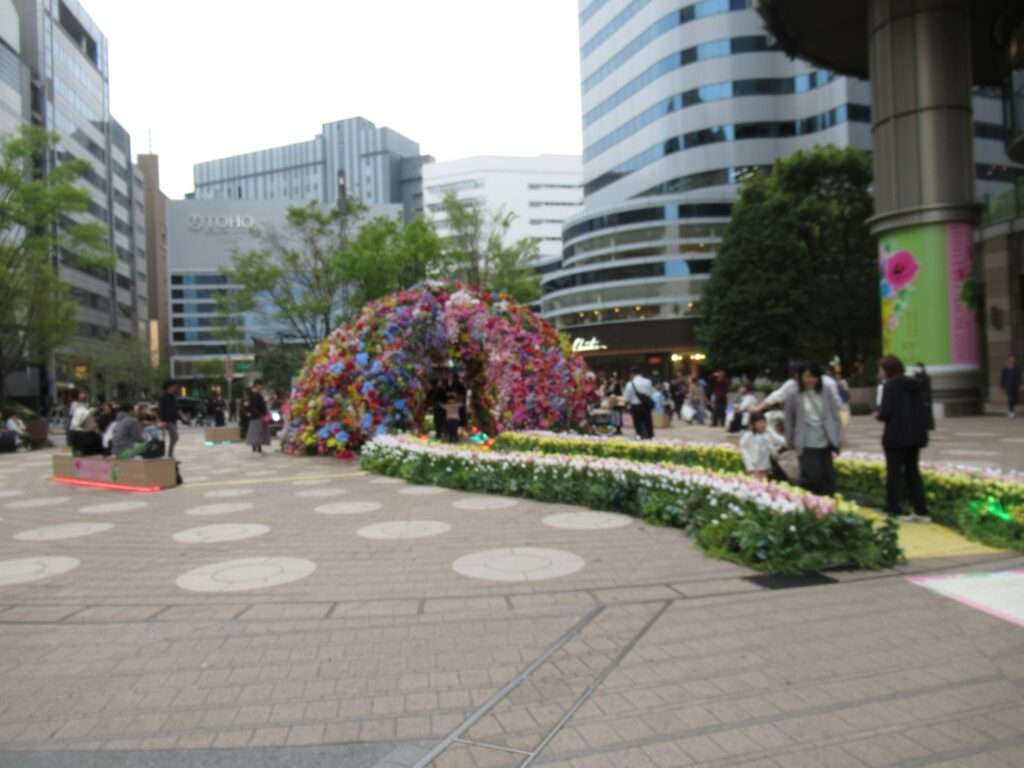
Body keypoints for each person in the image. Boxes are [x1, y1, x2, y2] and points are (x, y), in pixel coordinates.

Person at [877, 355, 931, 520]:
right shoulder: (914, 384)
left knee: (894, 474)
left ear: (887, 370)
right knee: (912, 473)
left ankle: (893, 509)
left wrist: (878, 415)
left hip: (895, 436)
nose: (879, 373)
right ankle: (921, 511)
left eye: (880, 369)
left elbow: (886, 412)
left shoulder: (890, 385)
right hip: (914, 436)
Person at [784, 363, 842, 496]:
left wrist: (837, 437)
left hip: (826, 439)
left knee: (828, 477)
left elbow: (834, 415)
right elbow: (789, 419)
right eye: (807, 376)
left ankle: (828, 506)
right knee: (812, 477)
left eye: (814, 376)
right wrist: (789, 440)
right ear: (800, 377)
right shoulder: (793, 394)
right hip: (806, 442)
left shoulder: (826, 390)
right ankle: (809, 502)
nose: (811, 380)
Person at [740, 412, 787, 479]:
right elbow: (744, 452)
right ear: (753, 424)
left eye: (763, 422)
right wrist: (750, 468)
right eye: (759, 422)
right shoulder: (748, 436)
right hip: (754, 468)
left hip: (765, 467)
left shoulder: (768, 434)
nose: (762, 424)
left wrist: (771, 432)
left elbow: (782, 442)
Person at [624, 366, 655, 440]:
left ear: (632, 374)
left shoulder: (630, 383)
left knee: (637, 423)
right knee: (648, 422)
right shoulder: (648, 381)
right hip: (646, 405)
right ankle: (650, 436)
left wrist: (627, 403)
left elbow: (627, 397)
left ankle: (639, 435)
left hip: (635, 406)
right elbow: (651, 393)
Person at [246, 381, 270, 454]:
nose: (261, 387)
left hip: (259, 415)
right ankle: (255, 448)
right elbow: (253, 405)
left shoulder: (258, 394)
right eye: (260, 386)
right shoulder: (253, 394)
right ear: (257, 385)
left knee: (260, 432)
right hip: (256, 416)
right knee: (256, 432)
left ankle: (258, 448)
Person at [158, 380, 180, 459]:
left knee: (174, 437)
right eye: (174, 386)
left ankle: (169, 454)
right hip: (167, 421)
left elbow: (175, 409)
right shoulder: (163, 396)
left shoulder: (173, 396)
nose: (175, 388)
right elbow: (161, 409)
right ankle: (168, 454)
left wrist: (181, 418)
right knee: (175, 437)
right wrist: (162, 420)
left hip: (173, 420)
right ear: (169, 387)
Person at [912, 361, 936, 432]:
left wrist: (926, 399)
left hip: (924, 398)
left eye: (918, 367)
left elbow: (926, 389)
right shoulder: (915, 376)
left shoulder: (925, 377)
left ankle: (926, 427)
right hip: (917, 398)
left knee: (925, 415)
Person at [1001, 354, 1021, 418]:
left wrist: (1020, 384)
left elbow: (1019, 377)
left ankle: (1012, 410)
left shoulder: (1016, 368)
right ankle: (1011, 411)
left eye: (1012, 359)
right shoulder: (1005, 369)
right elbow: (1003, 377)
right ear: (1008, 360)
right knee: (1010, 398)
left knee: (1015, 399)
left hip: (1015, 385)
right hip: (1008, 385)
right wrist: (1002, 385)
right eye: (1010, 359)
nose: (1011, 360)